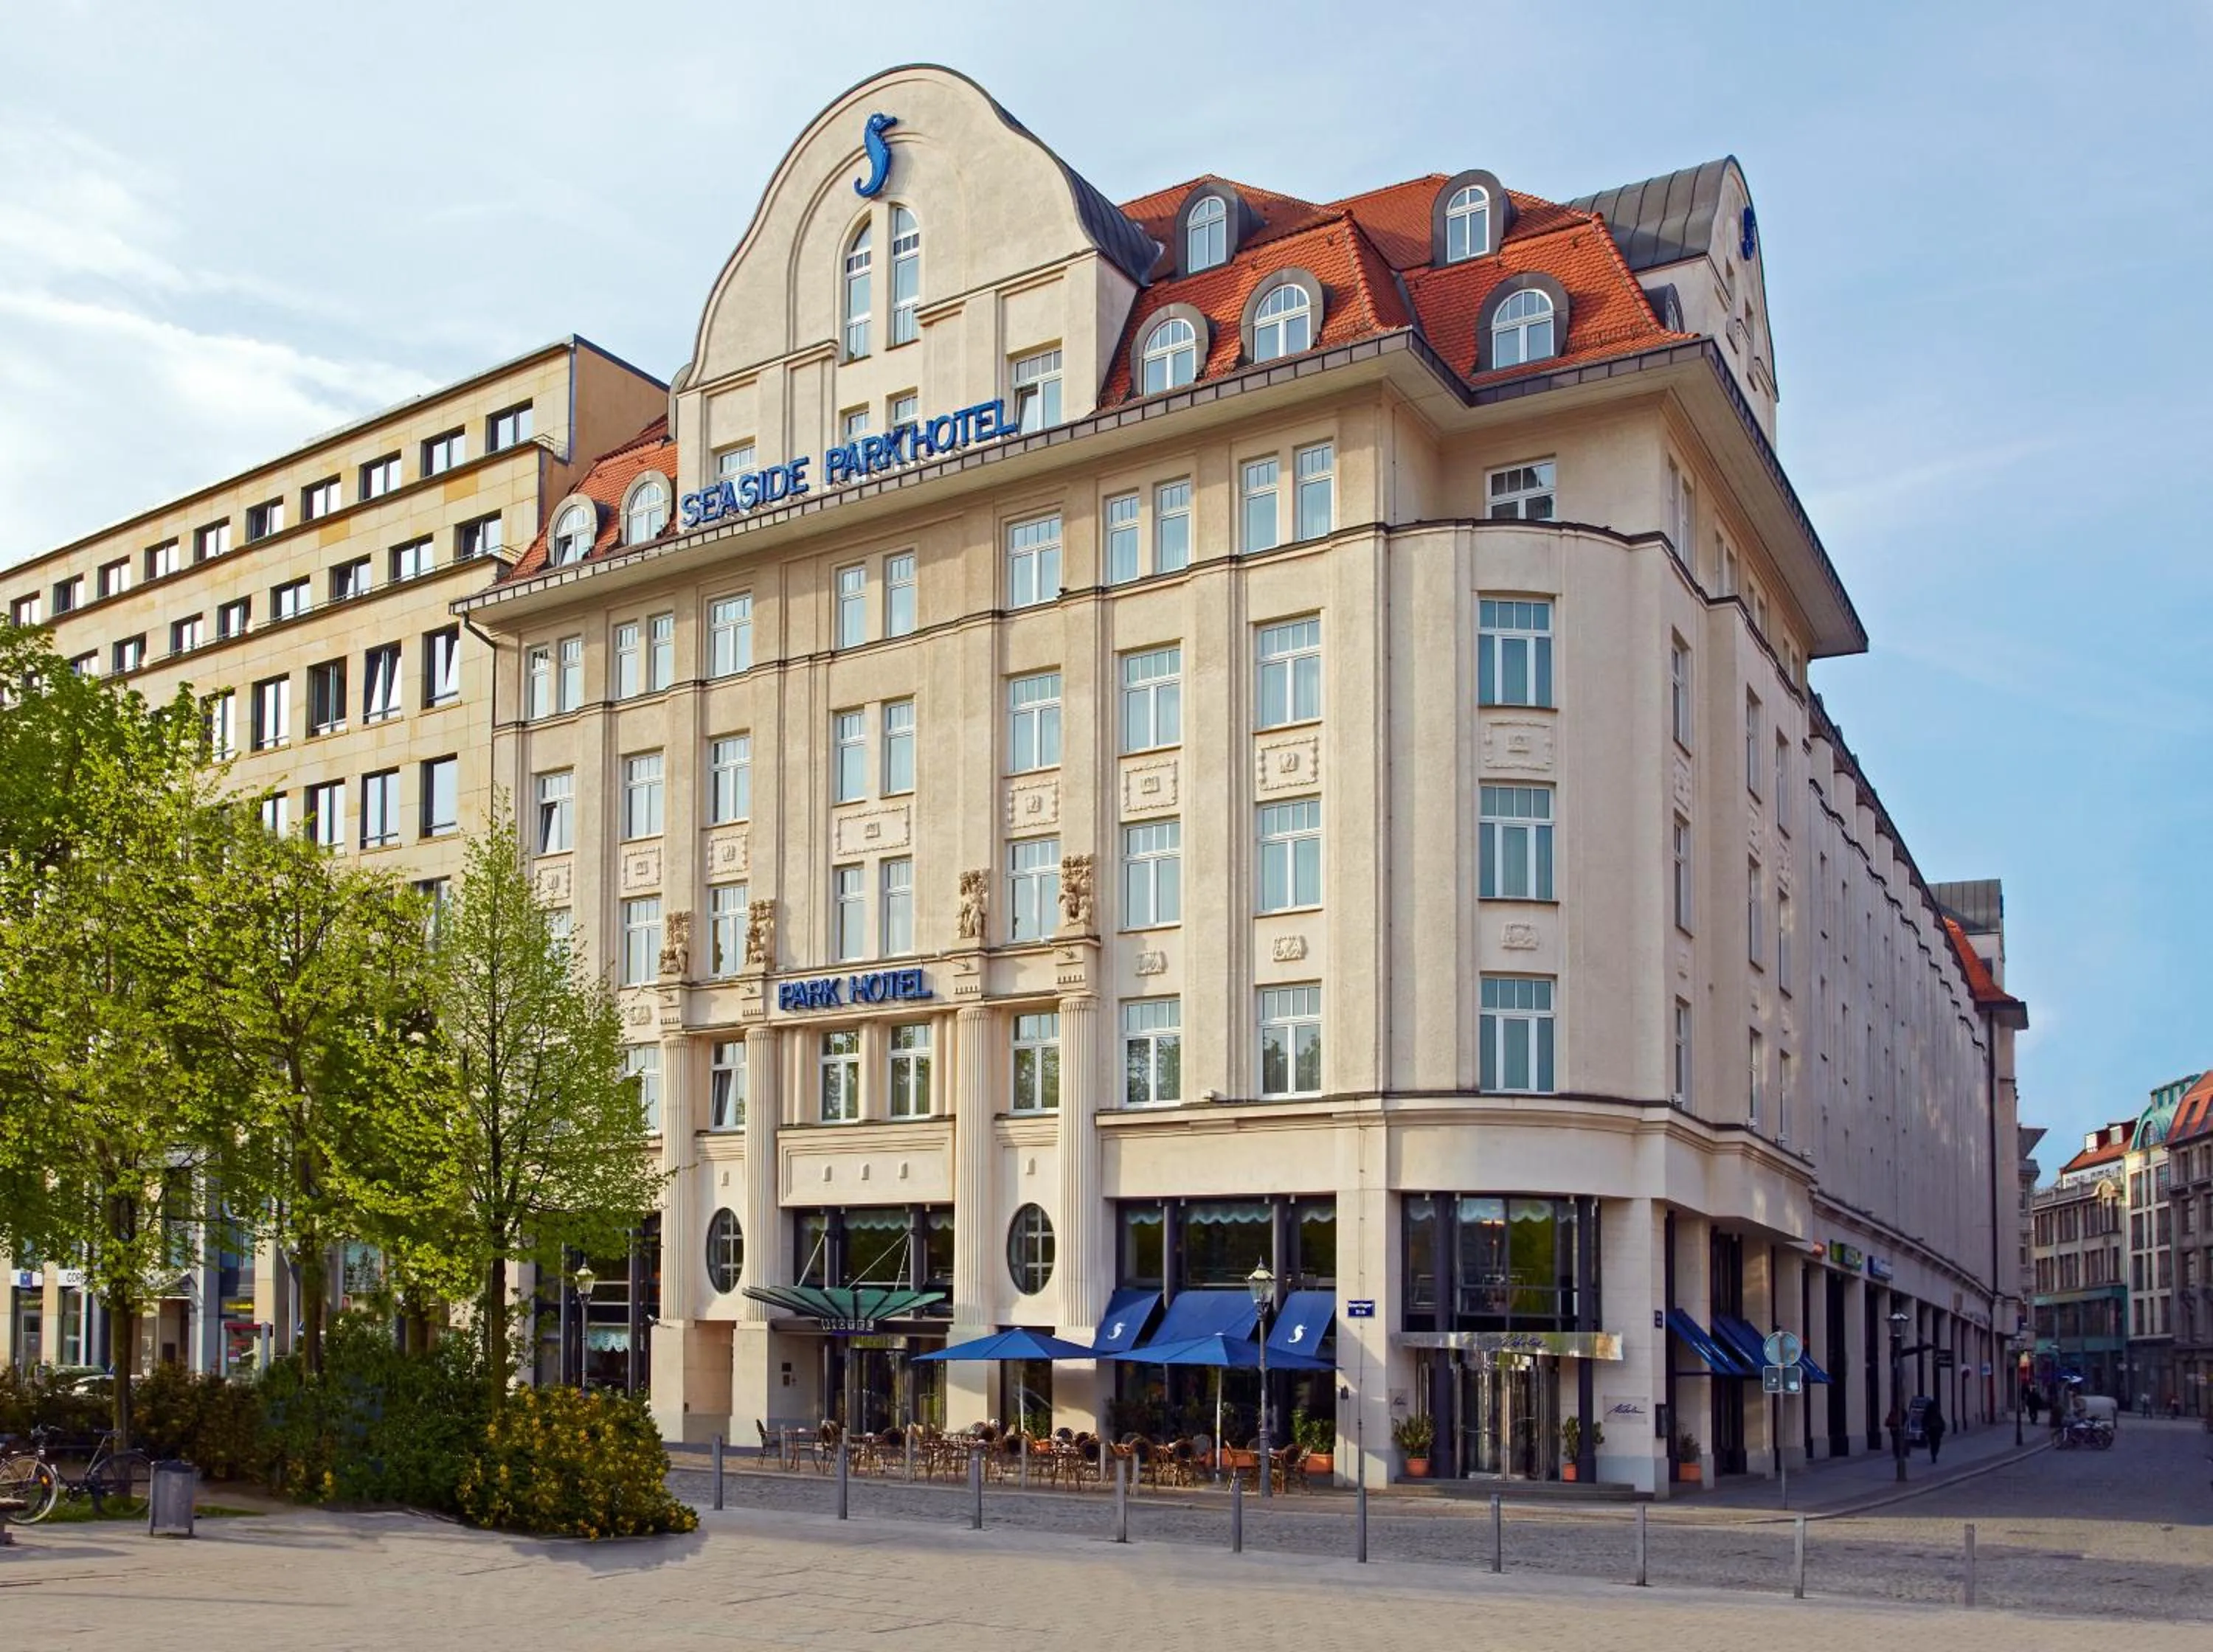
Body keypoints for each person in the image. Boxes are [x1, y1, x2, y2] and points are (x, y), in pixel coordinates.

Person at [1923, 1398, 1947, 1464]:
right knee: (1936, 1443)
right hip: (1936, 1430)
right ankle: (1934, 1453)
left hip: (1932, 1430)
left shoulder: (1929, 1412)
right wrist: (1943, 1428)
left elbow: (1924, 1421)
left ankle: (1933, 1453)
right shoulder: (1936, 1412)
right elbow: (1941, 1420)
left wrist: (1925, 1429)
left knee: (1932, 1443)